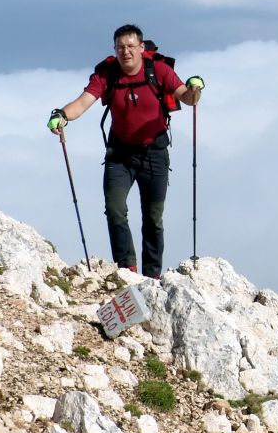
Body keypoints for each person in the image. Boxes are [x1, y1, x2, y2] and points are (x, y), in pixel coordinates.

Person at [47, 24, 203, 278]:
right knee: (115, 208)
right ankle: (126, 269)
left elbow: (187, 98)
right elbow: (83, 102)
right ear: (115, 50)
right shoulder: (107, 75)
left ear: (142, 48)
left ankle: (152, 275)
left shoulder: (158, 70)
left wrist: (195, 89)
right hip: (119, 154)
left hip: (154, 151)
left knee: (153, 218)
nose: (126, 52)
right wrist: (62, 115)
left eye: (131, 46)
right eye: (120, 47)